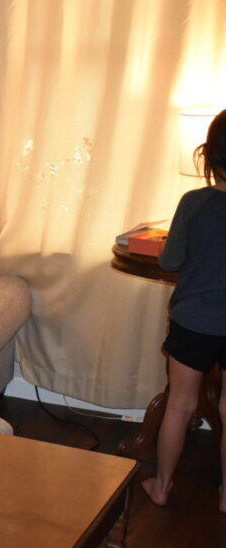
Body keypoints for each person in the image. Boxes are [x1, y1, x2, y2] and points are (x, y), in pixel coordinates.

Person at [142, 107, 226, 513]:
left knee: (180, 405)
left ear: (209, 156)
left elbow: (169, 261)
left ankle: (161, 485)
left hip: (195, 321)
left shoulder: (194, 203)